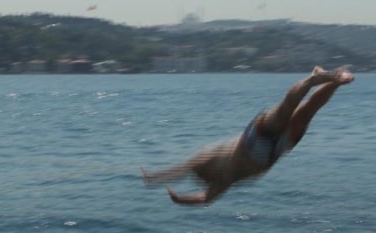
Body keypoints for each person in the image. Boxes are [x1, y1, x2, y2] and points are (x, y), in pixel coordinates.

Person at [141, 66, 355, 205]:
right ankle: (332, 79)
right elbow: (195, 187)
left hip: (263, 150)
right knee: (299, 109)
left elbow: (195, 188)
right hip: (264, 148)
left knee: (297, 109)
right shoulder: (219, 176)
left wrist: (163, 185)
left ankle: (323, 79)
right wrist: (171, 191)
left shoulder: (218, 175)